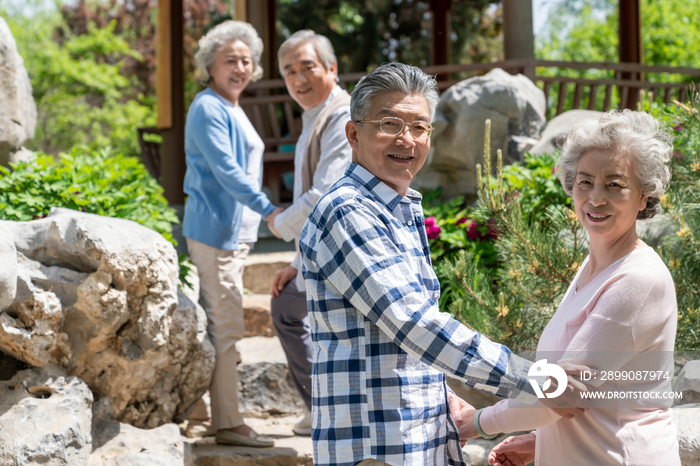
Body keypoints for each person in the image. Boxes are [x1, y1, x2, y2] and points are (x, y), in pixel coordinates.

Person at [297, 63, 582, 466]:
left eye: (419, 127)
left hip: (407, 439)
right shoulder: (348, 212)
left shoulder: (397, 208)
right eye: (389, 122)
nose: (406, 139)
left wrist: (449, 403)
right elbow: (414, 324)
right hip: (376, 448)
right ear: (353, 134)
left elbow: (392, 345)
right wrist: (534, 379)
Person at [475, 110, 680, 466]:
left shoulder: (639, 280)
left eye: (614, 185)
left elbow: (562, 392)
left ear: (644, 196)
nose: (596, 198)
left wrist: (476, 421)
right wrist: (539, 443)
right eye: (585, 182)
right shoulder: (594, 265)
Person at [183, 20, 283, 448]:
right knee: (225, 328)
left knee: (217, 326)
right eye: (230, 60)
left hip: (233, 235)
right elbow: (227, 171)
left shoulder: (231, 107)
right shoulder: (208, 107)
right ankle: (228, 423)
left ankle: (203, 413)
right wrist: (269, 209)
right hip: (215, 234)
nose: (240, 67)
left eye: (246, 60)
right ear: (210, 65)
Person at [265, 30, 352, 436]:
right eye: (289, 71)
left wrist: (279, 224)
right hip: (322, 252)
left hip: (349, 253)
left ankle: (331, 411)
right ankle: (323, 407)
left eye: (307, 67)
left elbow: (324, 195)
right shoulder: (315, 115)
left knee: (293, 313)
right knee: (288, 308)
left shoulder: (343, 115)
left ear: (331, 68)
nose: (298, 78)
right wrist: (296, 263)